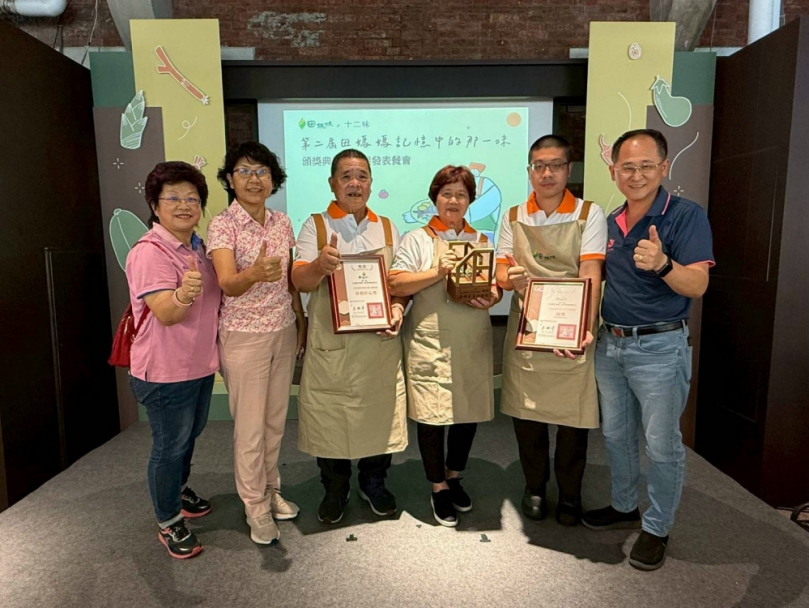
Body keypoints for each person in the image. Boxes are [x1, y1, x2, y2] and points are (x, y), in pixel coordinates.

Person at [582, 129, 714, 571]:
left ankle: (657, 527)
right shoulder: (610, 219)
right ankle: (624, 506)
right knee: (616, 437)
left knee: (660, 443)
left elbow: (697, 284)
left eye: (645, 166)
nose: (635, 174)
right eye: (627, 167)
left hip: (660, 347)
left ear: (663, 167)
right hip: (611, 344)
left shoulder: (684, 216)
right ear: (613, 170)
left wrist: (662, 264)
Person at [291, 149, 408, 524]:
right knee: (331, 418)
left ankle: (374, 481)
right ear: (332, 183)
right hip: (333, 346)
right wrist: (319, 265)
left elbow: (399, 284)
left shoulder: (389, 227)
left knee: (380, 416)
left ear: (371, 182)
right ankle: (334, 486)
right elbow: (299, 280)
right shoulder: (316, 226)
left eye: (362, 176)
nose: (355, 183)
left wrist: (398, 308)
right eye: (346, 176)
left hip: (377, 345)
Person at [496, 135, 607, 526]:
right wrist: (509, 277)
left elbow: (590, 271)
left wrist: (583, 328)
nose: (546, 173)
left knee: (574, 420)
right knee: (527, 418)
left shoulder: (588, 213)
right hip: (527, 327)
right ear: (529, 171)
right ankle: (535, 488)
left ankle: (571, 495)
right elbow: (501, 268)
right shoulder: (512, 216)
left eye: (555, 165)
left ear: (568, 170)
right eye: (539, 166)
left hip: (572, 325)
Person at [389, 165, 501, 527]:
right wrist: (437, 272)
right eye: (447, 193)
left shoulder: (481, 240)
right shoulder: (417, 239)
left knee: (467, 412)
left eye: (462, 195)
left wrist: (491, 296)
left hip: (472, 339)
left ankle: (455, 476)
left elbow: (493, 286)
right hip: (429, 340)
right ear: (434, 197)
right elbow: (396, 282)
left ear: (470, 201)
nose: (453, 201)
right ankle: (437, 486)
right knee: (432, 416)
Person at [207, 141, 306, 544]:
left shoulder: (282, 222)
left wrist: (299, 320)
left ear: (273, 179)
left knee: (274, 422)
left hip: (282, 330)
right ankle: (255, 506)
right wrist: (253, 274)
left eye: (262, 171)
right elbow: (228, 283)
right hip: (244, 335)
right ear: (230, 179)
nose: (254, 179)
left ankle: (271, 489)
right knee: (249, 428)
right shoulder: (222, 224)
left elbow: (290, 281)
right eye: (244, 171)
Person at [125, 161, 221, 559]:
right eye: (174, 198)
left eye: (193, 199)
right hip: (164, 371)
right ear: (155, 204)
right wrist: (183, 294)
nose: (185, 205)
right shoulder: (150, 251)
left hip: (197, 366)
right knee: (169, 446)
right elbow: (166, 313)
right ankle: (168, 521)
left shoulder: (198, 246)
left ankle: (178, 493)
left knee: (187, 437)